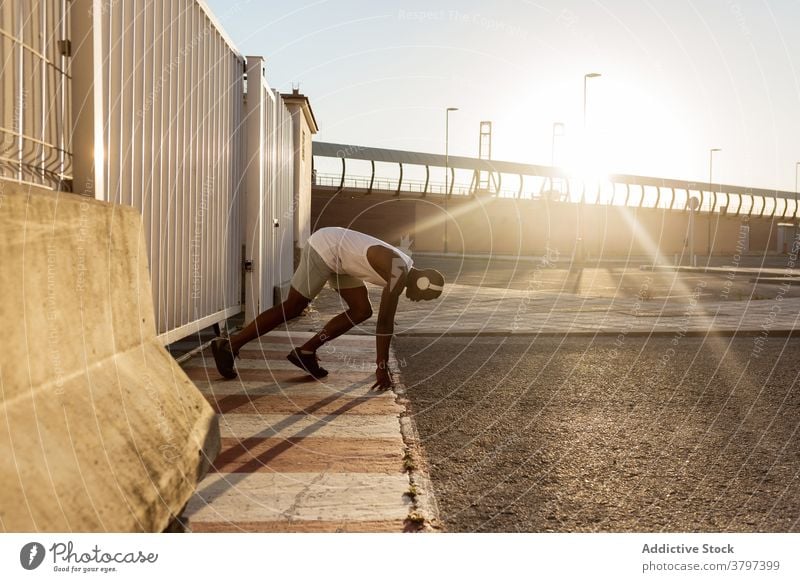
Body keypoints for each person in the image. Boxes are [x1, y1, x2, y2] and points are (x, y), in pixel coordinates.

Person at [211, 227, 444, 389]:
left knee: (361, 310)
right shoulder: (398, 270)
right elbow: (385, 322)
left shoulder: (402, 268)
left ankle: (306, 351)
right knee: (294, 306)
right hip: (327, 247)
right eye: (425, 298)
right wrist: (381, 367)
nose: (419, 301)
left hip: (343, 262)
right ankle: (229, 346)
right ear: (423, 284)